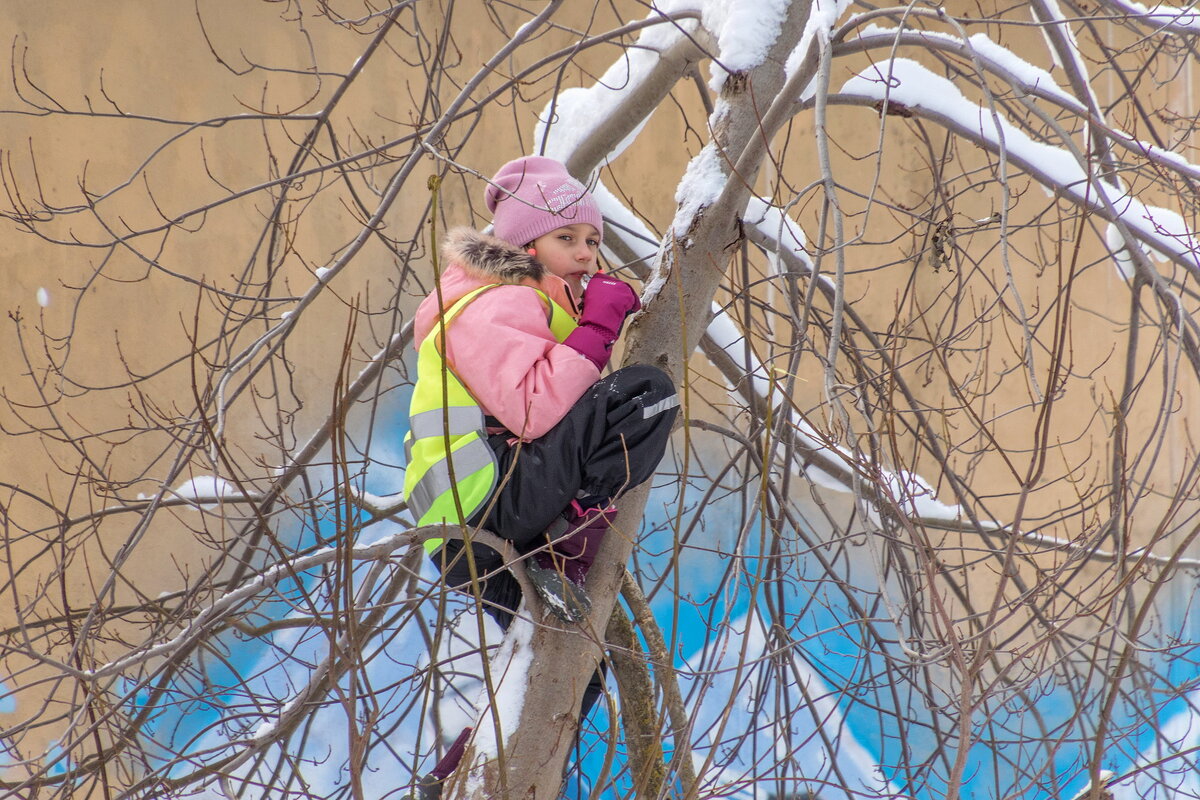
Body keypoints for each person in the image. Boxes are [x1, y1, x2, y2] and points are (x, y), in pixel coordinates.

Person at [401, 156, 679, 798]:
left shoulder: (534, 309)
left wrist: (582, 326)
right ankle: (568, 535)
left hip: (486, 525)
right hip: (485, 513)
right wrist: (599, 327)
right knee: (646, 395)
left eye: (593, 241)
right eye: (567, 240)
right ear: (524, 247)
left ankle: (455, 782)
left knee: (577, 665)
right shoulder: (490, 304)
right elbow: (534, 410)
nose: (586, 253)